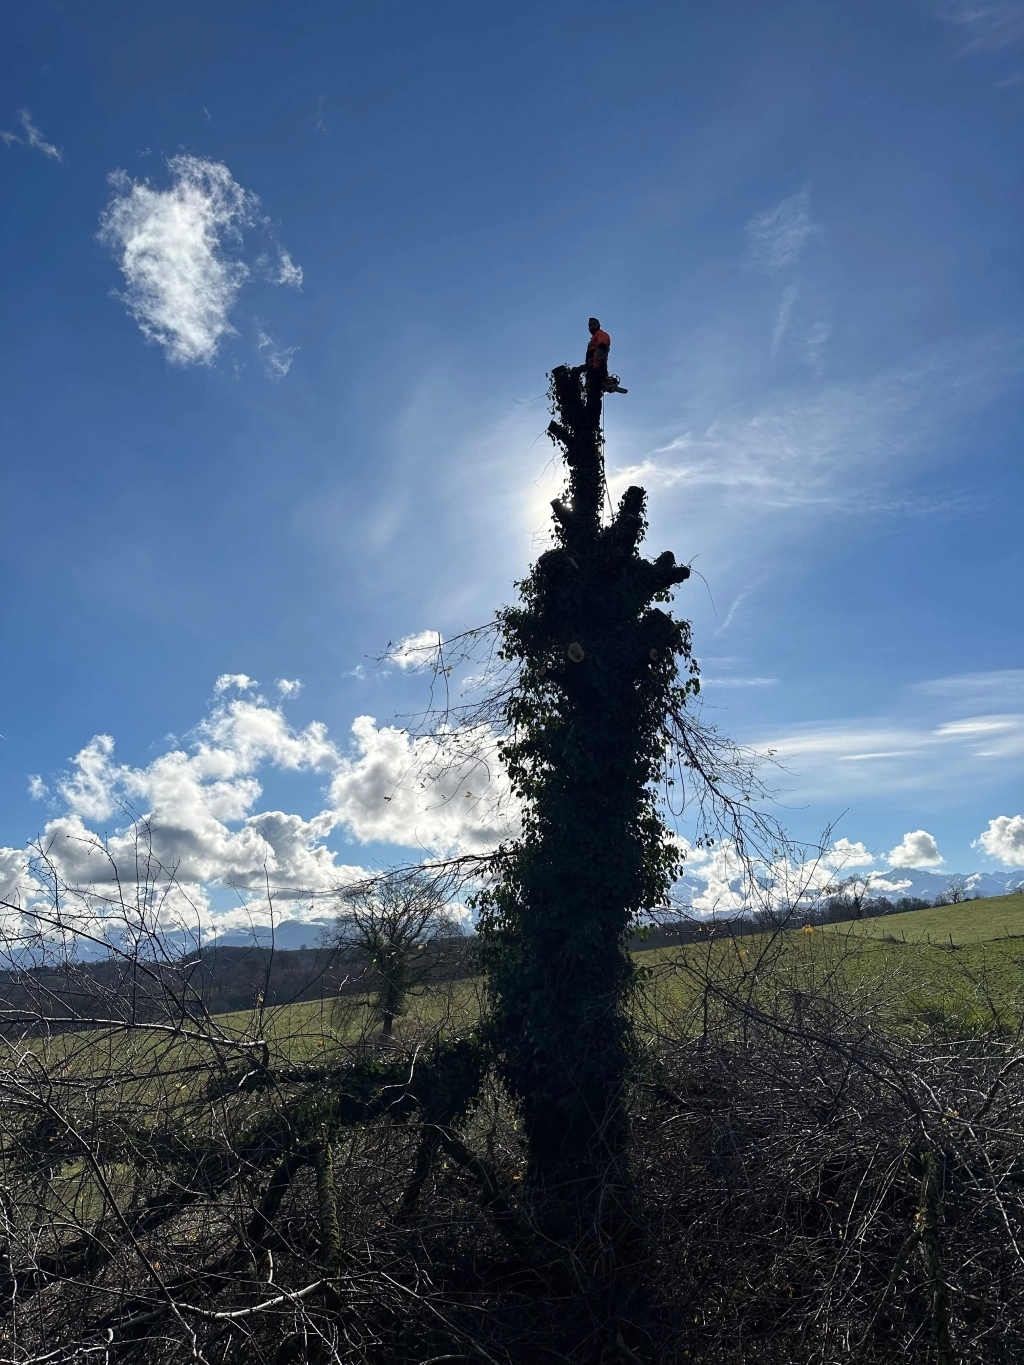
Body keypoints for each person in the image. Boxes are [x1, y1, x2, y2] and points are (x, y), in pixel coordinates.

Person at [575, 318, 628, 414]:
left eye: (594, 324)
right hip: (593, 366)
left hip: (598, 365)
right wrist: (582, 368)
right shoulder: (592, 340)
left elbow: (602, 346)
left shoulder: (601, 334)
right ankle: (606, 384)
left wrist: (597, 360)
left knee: (593, 389)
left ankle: (592, 414)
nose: (592, 326)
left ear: (599, 325)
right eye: (590, 325)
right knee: (591, 389)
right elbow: (589, 361)